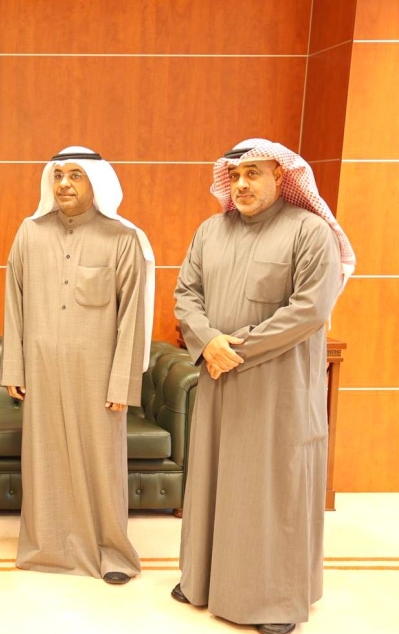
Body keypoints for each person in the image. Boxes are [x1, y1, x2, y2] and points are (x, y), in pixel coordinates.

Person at [173, 139, 355, 634]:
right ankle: (202, 579)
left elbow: (310, 310)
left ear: (281, 176)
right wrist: (208, 341)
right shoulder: (211, 230)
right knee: (213, 479)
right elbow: (186, 294)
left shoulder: (309, 231)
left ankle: (274, 599)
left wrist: (235, 350)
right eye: (235, 175)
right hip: (219, 382)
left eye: (253, 173)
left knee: (272, 488)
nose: (242, 184)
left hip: (278, 388)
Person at [1, 147, 156, 584]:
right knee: (44, 459)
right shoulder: (29, 233)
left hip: (98, 374)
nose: (64, 184)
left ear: (96, 181)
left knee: (102, 465)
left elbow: (132, 316)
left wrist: (122, 383)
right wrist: (14, 367)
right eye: (57, 175)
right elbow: (13, 302)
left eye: (75, 175)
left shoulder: (122, 238)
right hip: (42, 370)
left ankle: (112, 554)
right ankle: (47, 549)